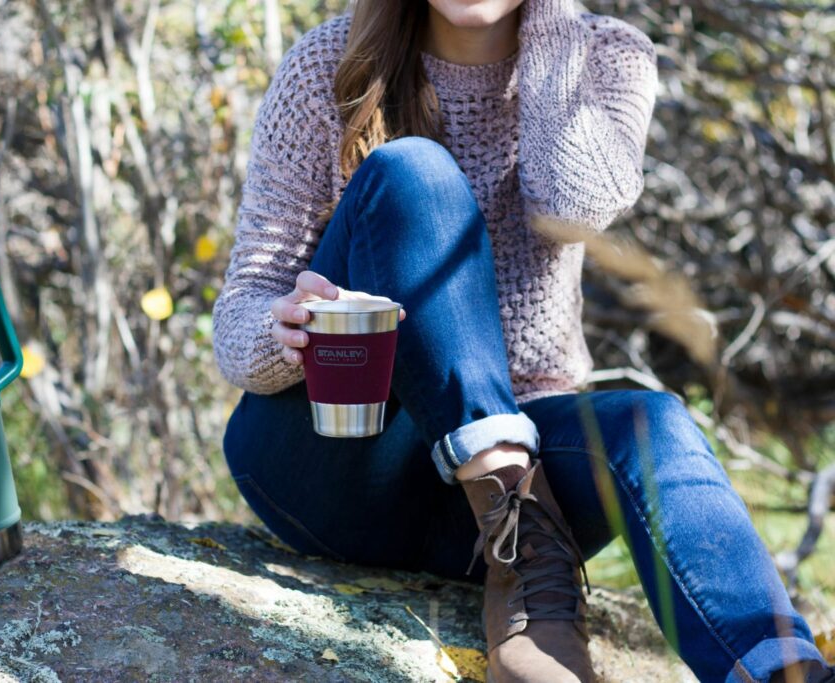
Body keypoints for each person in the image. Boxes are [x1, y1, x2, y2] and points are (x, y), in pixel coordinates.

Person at [211, 0, 834, 681]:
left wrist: (551, 27)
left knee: (653, 424)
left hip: (491, 520)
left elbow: (573, 203)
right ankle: (528, 572)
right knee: (413, 172)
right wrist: (282, 329)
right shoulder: (328, 65)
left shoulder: (609, 58)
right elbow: (240, 312)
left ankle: (781, 666)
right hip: (336, 463)